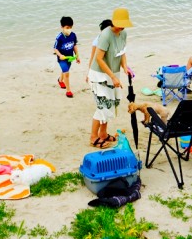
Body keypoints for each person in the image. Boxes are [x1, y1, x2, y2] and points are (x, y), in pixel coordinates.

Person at [88, 8, 133, 149]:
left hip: (113, 73)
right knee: (102, 106)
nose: (122, 26)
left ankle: (103, 133)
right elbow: (99, 59)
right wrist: (112, 76)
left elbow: (122, 53)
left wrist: (125, 67)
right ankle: (93, 137)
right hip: (99, 75)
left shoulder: (123, 33)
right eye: (120, 23)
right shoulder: (106, 35)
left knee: (110, 105)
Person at [53, 16, 80, 98]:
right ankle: (68, 91)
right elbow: (55, 48)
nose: (69, 29)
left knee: (65, 70)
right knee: (67, 73)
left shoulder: (73, 35)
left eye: (70, 27)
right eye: (67, 27)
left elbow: (74, 45)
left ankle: (60, 80)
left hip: (70, 57)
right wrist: (60, 55)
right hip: (62, 59)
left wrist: (77, 55)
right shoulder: (59, 37)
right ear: (62, 27)